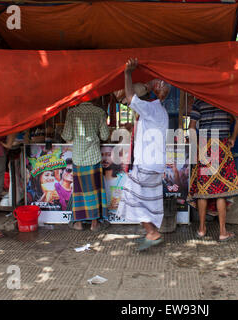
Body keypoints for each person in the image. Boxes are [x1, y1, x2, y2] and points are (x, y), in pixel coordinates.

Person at [116, 58, 169, 251]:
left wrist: (127, 73)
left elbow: (130, 98)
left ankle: (152, 233)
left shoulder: (151, 107)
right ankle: (151, 232)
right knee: (149, 200)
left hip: (146, 165)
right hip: (155, 165)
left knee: (132, 197)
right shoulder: (158, 110)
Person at [187, 99, 238, 242]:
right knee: (221, 191)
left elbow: (191, 128)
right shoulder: (224, 98)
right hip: (222, 145)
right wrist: (233, 138)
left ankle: (201, 229)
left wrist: (197, 146)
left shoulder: (198, 101)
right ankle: (223, 231)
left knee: (203, 189)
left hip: (204, 144)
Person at [61, 97, 111, 231]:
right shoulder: (99, 112)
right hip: (93, 156)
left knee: (79, 191)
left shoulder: (72, 113)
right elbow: (105, 136)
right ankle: (94, 224)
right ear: (93, 99)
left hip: (78, 157)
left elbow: (66, 136)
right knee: (93, 190)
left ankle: (79, 223)